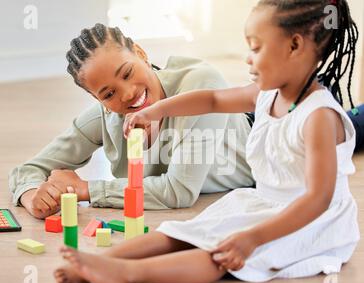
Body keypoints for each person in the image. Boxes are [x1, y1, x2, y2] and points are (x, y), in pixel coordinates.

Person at [54, 0, 360, 283]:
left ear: (294, 46)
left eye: (255, 48)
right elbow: (213, 99)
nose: (247, 59)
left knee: (219, 255)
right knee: (183, 232)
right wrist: (155, 111)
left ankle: (127, 276)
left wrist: (253, 238)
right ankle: (94, 267)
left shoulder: (319, 116)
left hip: (309, 222)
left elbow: (317, 200)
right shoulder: (266, 94)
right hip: (264, 202)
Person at [8, 23, 254, 219]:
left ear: (141, 54)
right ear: (97, 99)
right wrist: (33, 197)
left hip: (267, 152)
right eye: (108, 94)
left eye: (127, 73)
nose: (126, 94)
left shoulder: (200, 84)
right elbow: (29, 169)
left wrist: (86, 189)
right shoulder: (107, 116)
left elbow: (179, 191)